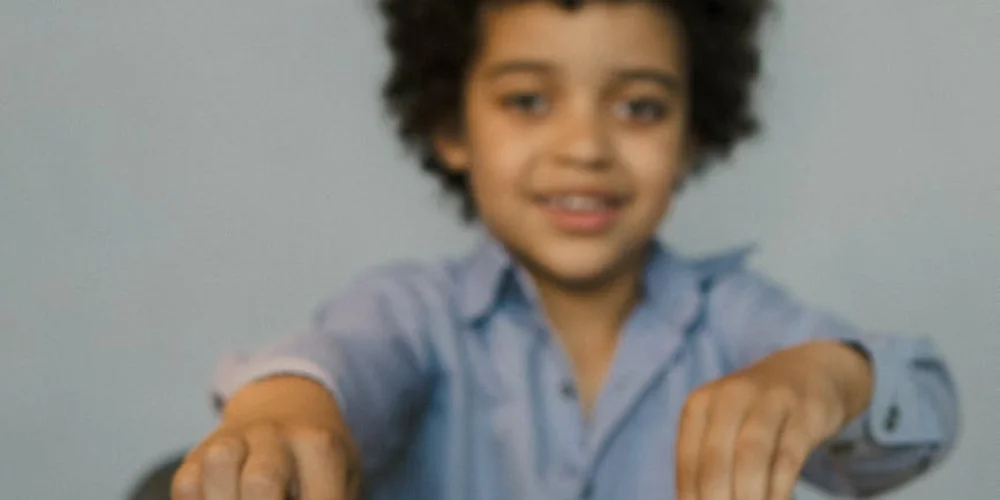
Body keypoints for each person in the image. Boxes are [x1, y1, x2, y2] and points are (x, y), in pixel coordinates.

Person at [171, 1, 959, 499]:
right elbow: (338, 361)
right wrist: (283, 405)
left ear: (692, 136)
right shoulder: (414, 317)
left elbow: (920, 411)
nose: (585, 146)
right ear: (450, 124)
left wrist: (831, 375)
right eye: (529, 100)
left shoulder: (736, 321)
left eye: (640, 107)